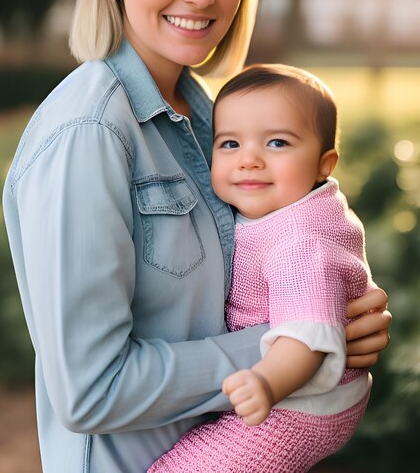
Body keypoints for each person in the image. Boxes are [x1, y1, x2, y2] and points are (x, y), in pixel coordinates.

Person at [2, 0, 391, 473]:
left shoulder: (217, 120)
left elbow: (278, 267)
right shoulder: (90, 130)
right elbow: (91, 388)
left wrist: (334, 322)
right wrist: (288, 350)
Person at [149, 64, 376, 473]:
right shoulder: (278, 205)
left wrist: (267, 383)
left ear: (325, 164)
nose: (249, 160)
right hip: (283, 387)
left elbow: (307, 336)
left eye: (276, 142)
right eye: (230, 144)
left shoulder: (300, 243)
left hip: (301, 401)